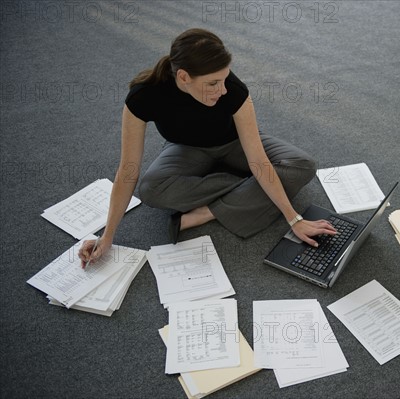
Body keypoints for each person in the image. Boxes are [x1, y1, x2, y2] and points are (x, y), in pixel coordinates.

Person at [78, 28, 336, 267]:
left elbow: (257, 159)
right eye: (213, 83)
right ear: (183, 77)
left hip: (235, 144)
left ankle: (206, 213)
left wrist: (295, 220)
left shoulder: (233, 91)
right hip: (187, 150)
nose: (222, 90)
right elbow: (128, 170)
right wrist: (107, 236)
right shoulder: (143, 96)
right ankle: (248, 186)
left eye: (224, 80)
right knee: (151, 190)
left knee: (302, 166)